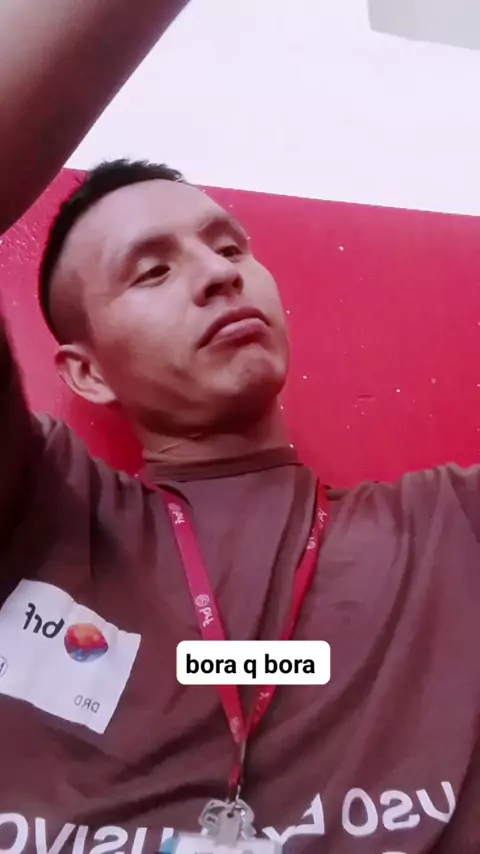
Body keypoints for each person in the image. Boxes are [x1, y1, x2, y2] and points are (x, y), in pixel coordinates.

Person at [0, 4, 479, 854]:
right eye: (153, 271)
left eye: (230, 249)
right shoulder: (38, 506)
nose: (220, 276)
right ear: (86, 373)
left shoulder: (450, 529)